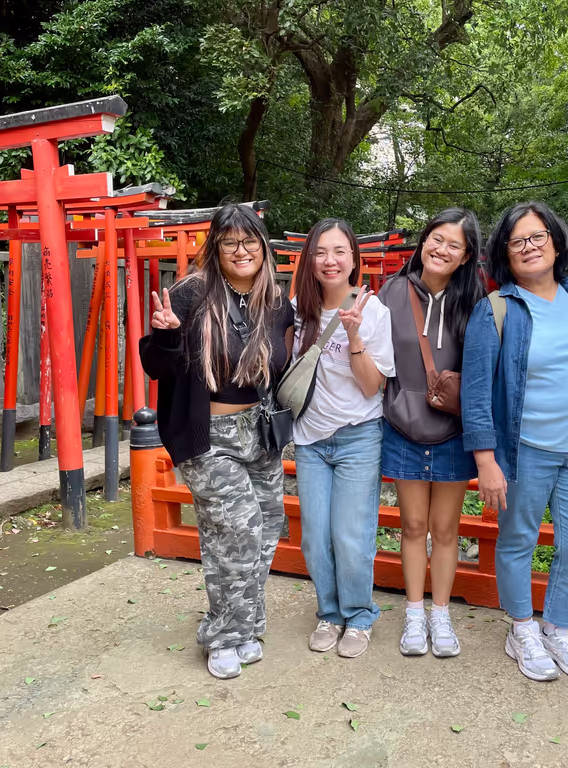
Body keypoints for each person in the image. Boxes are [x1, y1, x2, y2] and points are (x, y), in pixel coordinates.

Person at [138, 204, 294, 681]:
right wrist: (166, 339)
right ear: (216, 247)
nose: (241, 251)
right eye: (230, 242)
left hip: (260, 432)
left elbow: (281, 365)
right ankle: (223, 635)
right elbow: (159, 369)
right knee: (238, 532)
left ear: (263, 247)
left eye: (250, 242)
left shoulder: (275, 300)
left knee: (265, 529)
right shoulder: (190, 295)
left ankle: (245, 627)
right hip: (209, 435)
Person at [462, 201, 568, 682]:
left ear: (556, 240)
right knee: (518, 540)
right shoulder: (498, 308)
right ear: (505, 252)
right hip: (525, 451)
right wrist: (487, 459)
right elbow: (477, 390)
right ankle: (521, 628)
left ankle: (560, 629)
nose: (529, 247)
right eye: (517, 240)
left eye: (537, 236)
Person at [377, 208, 485, 658]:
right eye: (436, 239)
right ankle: (414, 614)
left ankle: (441, 615)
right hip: (402, 425)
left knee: (445, 528)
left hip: (455, 431)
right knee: (413, 525)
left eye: (453, 244)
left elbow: (482, 370)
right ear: (423, 242)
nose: (441, 249)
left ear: (465, 256)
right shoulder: (392, 292)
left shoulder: (475, 299)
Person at [292, 218, 396, 659]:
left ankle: (359, 615)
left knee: (351, 535)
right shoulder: (297, 308)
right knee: (315, 536)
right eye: (321, 251)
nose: (329, 260)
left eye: (339, 251)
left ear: (354, 258)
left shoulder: (373, 310)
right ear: (310, 259)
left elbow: (372, 386)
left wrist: (353, 334)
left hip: (357, 437)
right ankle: (329, 612)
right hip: (310, 439)